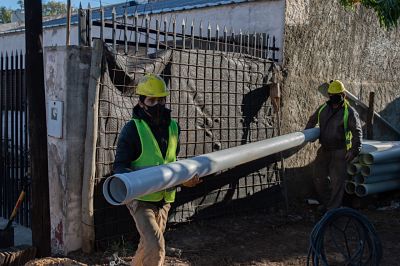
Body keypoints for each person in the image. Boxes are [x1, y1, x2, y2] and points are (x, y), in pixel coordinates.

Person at [113, 73, 202, 266]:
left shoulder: (174, 127)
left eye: (161, 100)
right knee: (156, 244)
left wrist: (184, 179)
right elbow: (119, 167)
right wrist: (133, 182)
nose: (158, 105)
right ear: (142, 102)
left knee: (148, 245)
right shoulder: (132, 129)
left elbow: (172, 161)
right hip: (141, 199)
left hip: (164, 198)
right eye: (152, 100)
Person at [305, 80, 362, 211]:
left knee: (337, 182)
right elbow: (312, 120)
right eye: (331, 95)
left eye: (337, 95)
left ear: (343, 95)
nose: (334, 97)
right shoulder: (323, 109)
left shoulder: (350, 112)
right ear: (329, 95)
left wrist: (354, 151)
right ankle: (327, 204)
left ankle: (333, 211)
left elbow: (357, 132)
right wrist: (307, 134)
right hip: (324, 149)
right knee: (318, 177)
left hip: (340, 151)